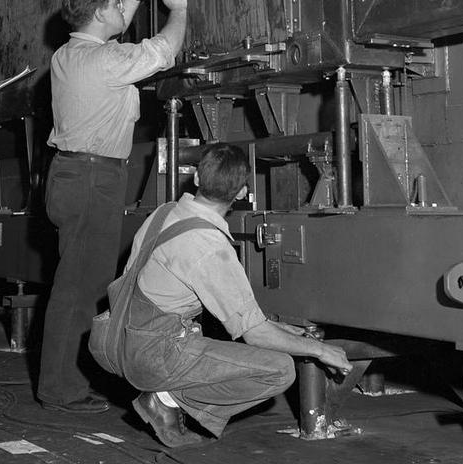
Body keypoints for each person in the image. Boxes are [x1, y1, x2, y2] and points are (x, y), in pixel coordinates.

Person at [119, 143, 352, 448]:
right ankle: (165, 398)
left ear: (197, 178)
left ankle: (166, 393)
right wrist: (320, 350)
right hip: (157, 354)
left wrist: (277, 327)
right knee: (279, 371)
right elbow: (254, 335)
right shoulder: (209, 247)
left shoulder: (164, 214)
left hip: (123, 338)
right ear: (242, 192)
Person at [37, 0, 188, 414]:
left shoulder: (68, 54)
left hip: (73, 173)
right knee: (80, 288)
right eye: (114, 3)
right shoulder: (107, 59)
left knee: (77, 281)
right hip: (92, 179)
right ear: (101, 14)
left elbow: (114, 26)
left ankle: (66, 380)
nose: (120, 8)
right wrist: (178, 9)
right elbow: (163, 51)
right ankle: (61, 389)